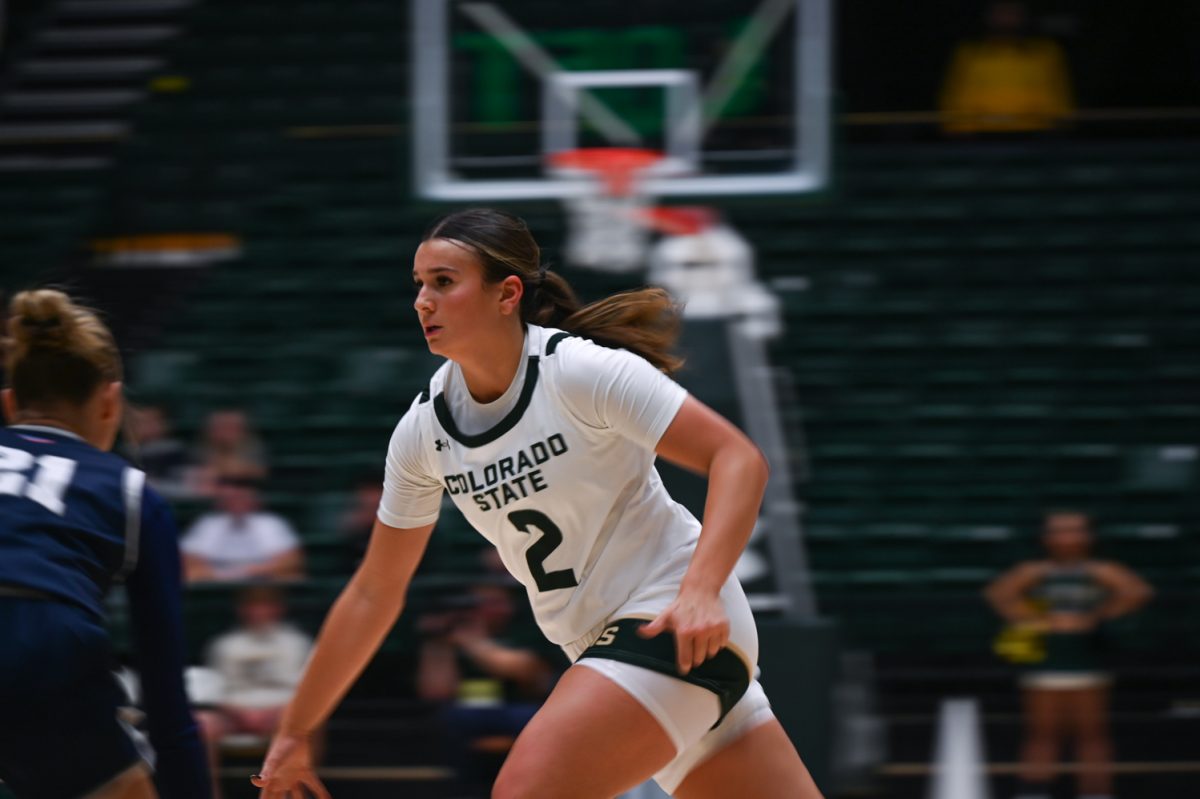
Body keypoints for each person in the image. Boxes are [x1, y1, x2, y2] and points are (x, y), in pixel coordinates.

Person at [253, 208, 822, 798]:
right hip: (603, 647)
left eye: (444, 282)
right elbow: (374, 591)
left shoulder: (578, 371)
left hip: (669, 616)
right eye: (418, 284)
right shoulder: (423, 433)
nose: (423, 301)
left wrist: (702, 589)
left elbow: (738, 459)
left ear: (508, 294)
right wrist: (296, 729)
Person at [0, 289, 210, 798]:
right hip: (45, 645)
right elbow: (166, 699)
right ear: (111, 403)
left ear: (9, 404)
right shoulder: (128, 490)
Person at [985, 511, 1153, 799]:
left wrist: (1097, 616)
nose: (1067, 537)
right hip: (1044, 659)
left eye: (1075, 530)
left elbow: (1137, 592)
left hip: (1087, 658)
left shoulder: (1102, 570)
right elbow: (998, 594)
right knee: (1041, 733)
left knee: (1092, 734)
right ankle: (1034, 791)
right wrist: (1037, 619)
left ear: (1088, 536)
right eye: (1059, 530)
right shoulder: (1032, 571)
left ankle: (1096, 792)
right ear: (1046, 537)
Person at [417, 582, 562, 790]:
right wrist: (437, 642)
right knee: (450, 719)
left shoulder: (528, 627)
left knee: (533, 718)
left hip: (519, 709)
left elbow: (526, 669)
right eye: (483, 603)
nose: (494, 609)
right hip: (467, 715)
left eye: (498, 602)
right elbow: (436, 691)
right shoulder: (451, 635)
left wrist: (473, 643)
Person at [195, 586, 313, 799]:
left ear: (278, 609)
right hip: (234, 713)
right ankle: (208, 794)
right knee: (201, 722)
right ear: (242, 610)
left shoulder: (296, 643)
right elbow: (216, 689)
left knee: (304, 723)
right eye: (253, 606)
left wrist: (275, 712)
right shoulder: (225, 644)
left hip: (280, 712)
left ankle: (293, 794)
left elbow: (305, 690)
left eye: (265, 605)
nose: (258, 612)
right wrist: (237, 712)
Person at [940, 1, 1075, 134]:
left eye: (1012, 12)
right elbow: (955, 97)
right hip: (978, 139)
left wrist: (1059, 129)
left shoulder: (1046, 52)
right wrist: (959, 131)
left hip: (1036, 137)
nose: (1006, 19)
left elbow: (1059, 96)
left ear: (1024, 16)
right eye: (1001, 12)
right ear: (988, 17)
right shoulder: (969, 54)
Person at [180, 478, 305, 583]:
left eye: (242, 497)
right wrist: (225, 575)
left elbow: (291, 561)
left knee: (291, 576)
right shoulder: (207, 523)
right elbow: (189, 560)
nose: (237, 502)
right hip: (214, 580)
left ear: (254, 501)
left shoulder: (271, 523)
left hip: (261, 580)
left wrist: (241, 572)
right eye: (232, 498)